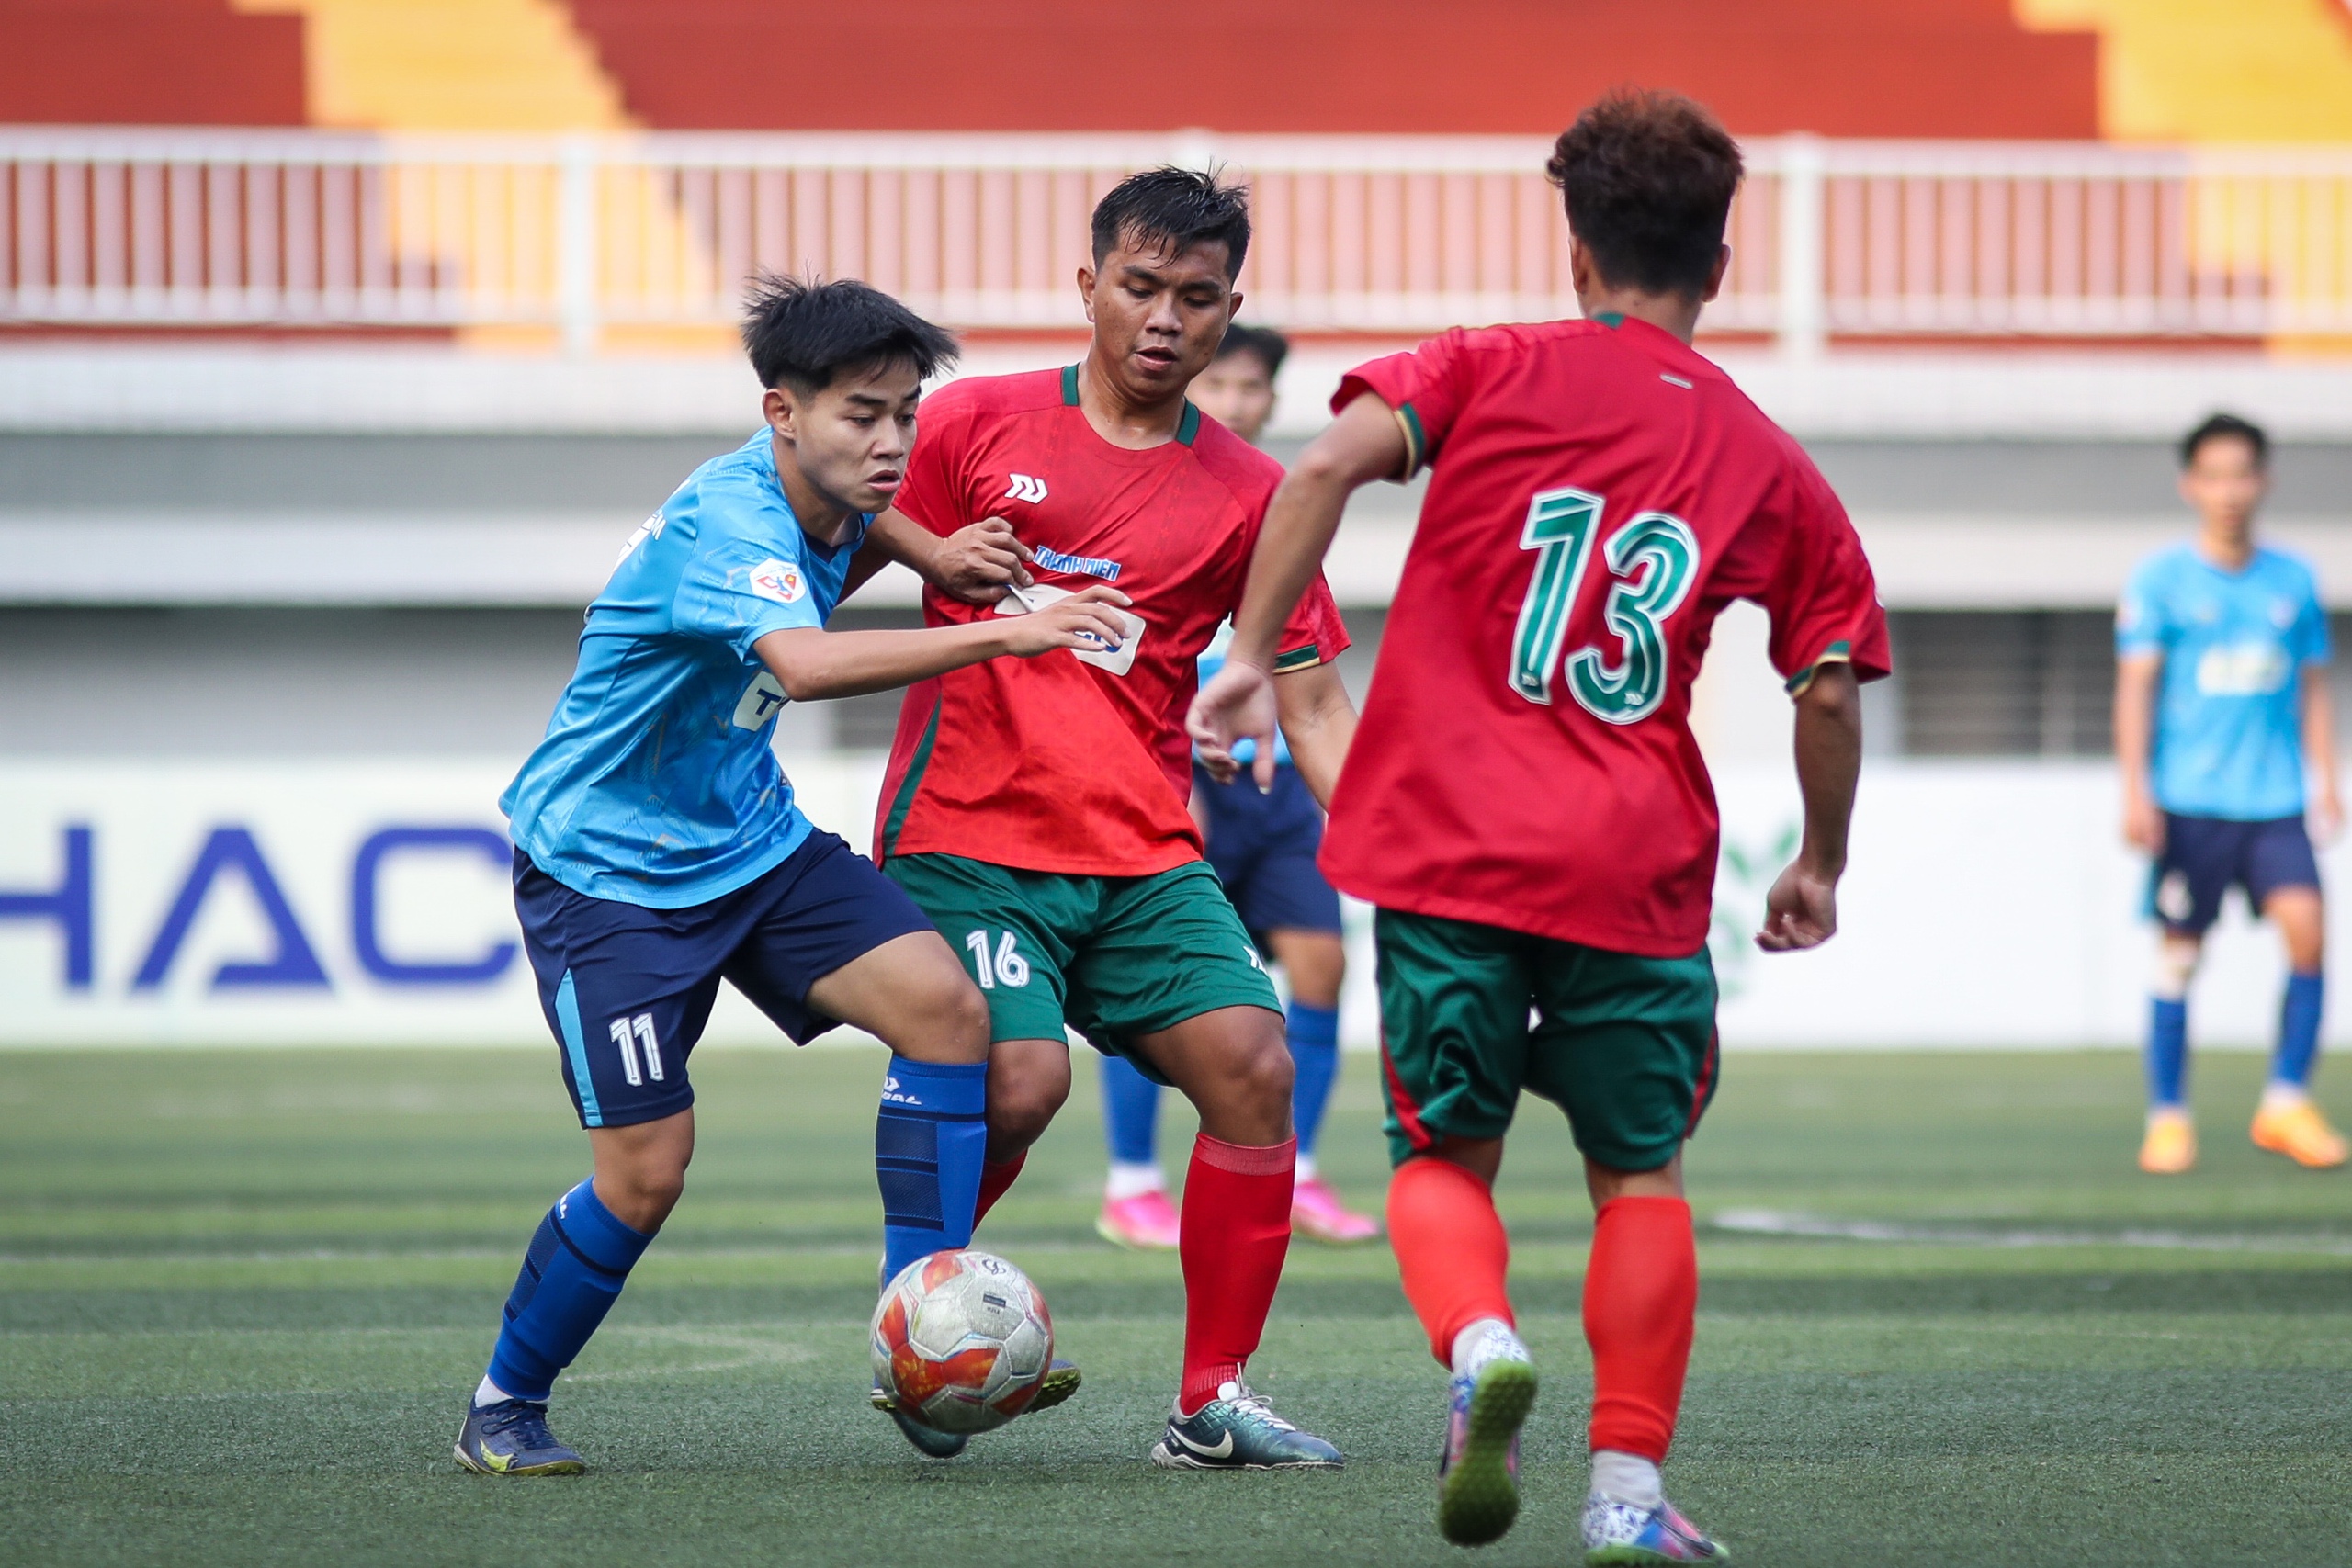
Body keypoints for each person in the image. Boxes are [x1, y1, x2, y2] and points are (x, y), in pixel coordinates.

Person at [1191, 90, 1889, 1562]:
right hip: (1633, 860)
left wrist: (1248, 652)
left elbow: (1315, 468)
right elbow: (1826, 689)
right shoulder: (1775, 463)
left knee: (1446, 1153)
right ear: (1721, 260)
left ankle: (1481, 1339)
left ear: (1576, 252)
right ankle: (1627, 1498)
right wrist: (1820, 860)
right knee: (1640, 1174)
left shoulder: (1485, 366)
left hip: (1447, 843)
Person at [457, 276, 1133, 1478]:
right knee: (645, 1175)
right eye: (860, 416)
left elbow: (863, 531)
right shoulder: (730, 523)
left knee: (948, 1011)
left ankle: (915, 1343)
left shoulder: (831, 495)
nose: (890, 442)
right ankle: (505, 1398)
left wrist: (935, 547)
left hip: (754, 845)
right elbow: (806, 664)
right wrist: (1007, 626)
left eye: (904, 415)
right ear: (781, 411)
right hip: (606, 877)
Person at [865, 166, 1361, 1469]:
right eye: (1139, 287)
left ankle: (1211, 1400)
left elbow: (1313, 701)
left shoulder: (1254, 493)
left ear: (1228, 310)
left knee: (1258, 1066)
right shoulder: (970, 423)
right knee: (1020, 1083)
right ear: (1088, 286)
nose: (1163, 319)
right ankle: (917, 1328)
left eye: (1195, 298)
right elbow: (829, 538)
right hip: (969, 835)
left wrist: (1396, 855)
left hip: (1141, 848)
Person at [1096, 322, 1378, 1251]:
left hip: (1284, 776)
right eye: (1220, 382)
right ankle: (1132, 1179)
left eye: (1251, 386)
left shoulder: (1279, 500)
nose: (1234, 401)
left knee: (1325, 964)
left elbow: (1310, 655)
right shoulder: (1147, 485)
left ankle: (1297, 1169)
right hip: (1175, 763)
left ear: (1268, 401)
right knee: (1155, 969)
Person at [2116, 413, 2346, 1175]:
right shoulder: (2161, 581)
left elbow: (2313, 687)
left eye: (2241, 473)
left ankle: (2285, 1100)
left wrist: (2326, 777)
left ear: (2263, 481)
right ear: (2191, 486)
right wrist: (2135, 790)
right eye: (2212, 475)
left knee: (2308, 932)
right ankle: (2169, 1115)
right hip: (2189, 802)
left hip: (2274, 801)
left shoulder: (2293, 582)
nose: (2228, 491)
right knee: (2180, 956)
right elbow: (2135, 691)